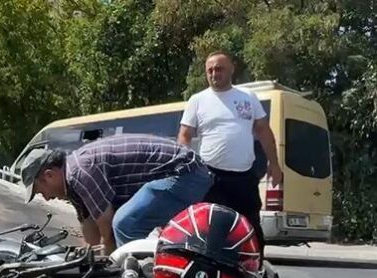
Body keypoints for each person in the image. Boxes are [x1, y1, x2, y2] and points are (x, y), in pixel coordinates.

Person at [20, 133, 212, 254]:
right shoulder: (72, 182)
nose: (45, 198)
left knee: (124, 224)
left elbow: (106, 228)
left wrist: (107, 260)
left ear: (49, 175)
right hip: (180, 175)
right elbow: (90, 226)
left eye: (40, 191)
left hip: (185, 173)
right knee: (122, 228)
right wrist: (90, 258)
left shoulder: (79, 172)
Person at [177, 51, 283, 254]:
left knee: (251, 230)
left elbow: (263, 131)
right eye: (210, 70)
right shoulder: (197, 100)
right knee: (211, 232)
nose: (214, 73)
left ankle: (254, 274)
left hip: (244, 178)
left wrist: (274, 164)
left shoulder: (247, 97)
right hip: (211, 178)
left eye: (219, 68)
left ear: (232, 69)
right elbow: (185, 135)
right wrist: (184, 168)